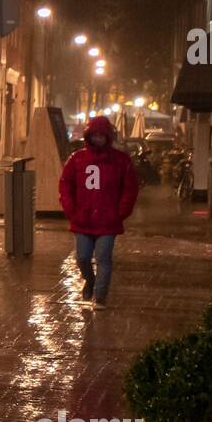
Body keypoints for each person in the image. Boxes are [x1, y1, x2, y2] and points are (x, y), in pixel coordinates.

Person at [58, 115, 140, 309]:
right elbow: (65, 184)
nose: (97, 139)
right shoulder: (77, 159)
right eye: (94, 135)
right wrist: (71, 209)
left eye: (101, 136)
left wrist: (120, 212)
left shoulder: (121, 161)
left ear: (108, 137)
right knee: (83, 258)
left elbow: (130, 188)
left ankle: (100, 297)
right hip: (83, 219)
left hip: (107, 220)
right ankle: (91, 281)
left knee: (103, 258)